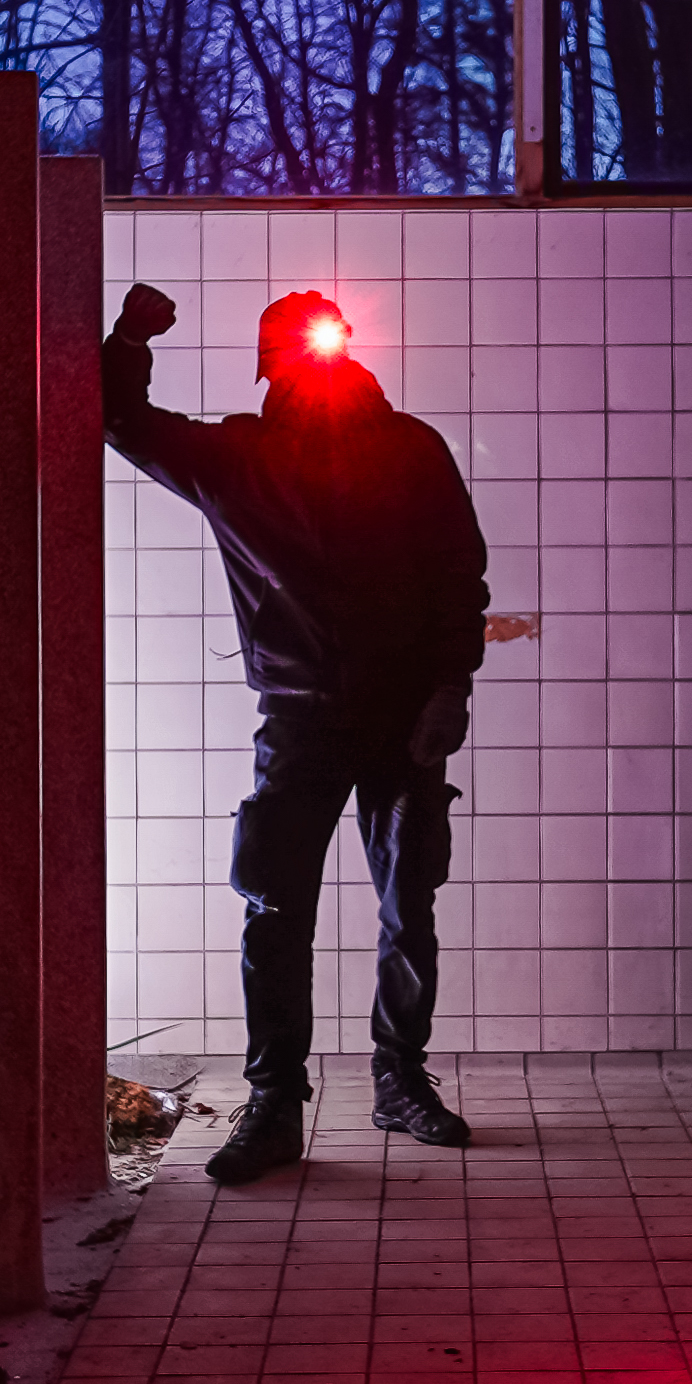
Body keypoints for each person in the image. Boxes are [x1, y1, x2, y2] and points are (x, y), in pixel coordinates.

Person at [103, 281, 490, 1181]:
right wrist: (127, 337)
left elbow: (458, 572)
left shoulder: (408, 450)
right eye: (301, 350)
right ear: (275, 366)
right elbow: (122, 421)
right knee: (277, 911)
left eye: (330, 345)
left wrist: (450, 689)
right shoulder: (238, 457)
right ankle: (275, 1103)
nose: (320, 365)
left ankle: (399, 1082)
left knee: (409, 907)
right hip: (302, 720)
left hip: (403, 723)